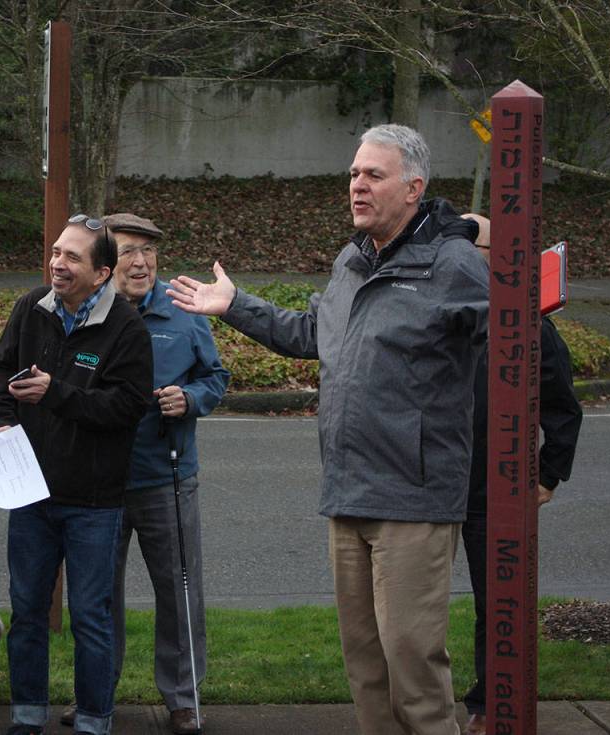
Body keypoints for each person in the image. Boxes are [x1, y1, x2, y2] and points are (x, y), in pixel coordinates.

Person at [168, 125, 489, 735]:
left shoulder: (451, 264)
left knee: (412, 666)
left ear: (413, 187)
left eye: (374, 175)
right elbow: (313, 335)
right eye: (353, 174)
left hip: (415, 499)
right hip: (348, 492)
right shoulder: (352, 260)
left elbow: (519, 346)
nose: (357, 186)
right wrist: (234, 305)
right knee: (367, 670)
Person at [59, 213, 228, 735]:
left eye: (149, 251)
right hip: (98, 483)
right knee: (96, 597)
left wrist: (193, 397)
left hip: (166, 478)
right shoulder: (86, 316)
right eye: (130, 251)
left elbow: (215, 375)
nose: (142, 262)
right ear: (106, 264)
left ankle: (183, 697)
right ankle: (95, 696)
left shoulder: (182, 313)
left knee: (178, 592)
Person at [0, 214, 153, 735]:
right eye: (57, 252)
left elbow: (126, 408)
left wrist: (55, 393)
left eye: (72, 257)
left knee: (90, 620)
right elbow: (2, 373)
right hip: (30, 495)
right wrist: (3, 425)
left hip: (94, 503)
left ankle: (93, 722)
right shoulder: (30, 308)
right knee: (27, 613)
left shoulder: (127, 328)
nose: (57, 264)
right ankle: (26, 718)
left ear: (102, 273)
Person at [459, 214, 583, 735]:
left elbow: (563, 410)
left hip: (494, 491)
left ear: (498, 254)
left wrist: (546, 478)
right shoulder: (446, 312)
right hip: (433, 485)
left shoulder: (532, 325)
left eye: (472, 243)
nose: (461, 253)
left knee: (497, 603)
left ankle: (489, 704)